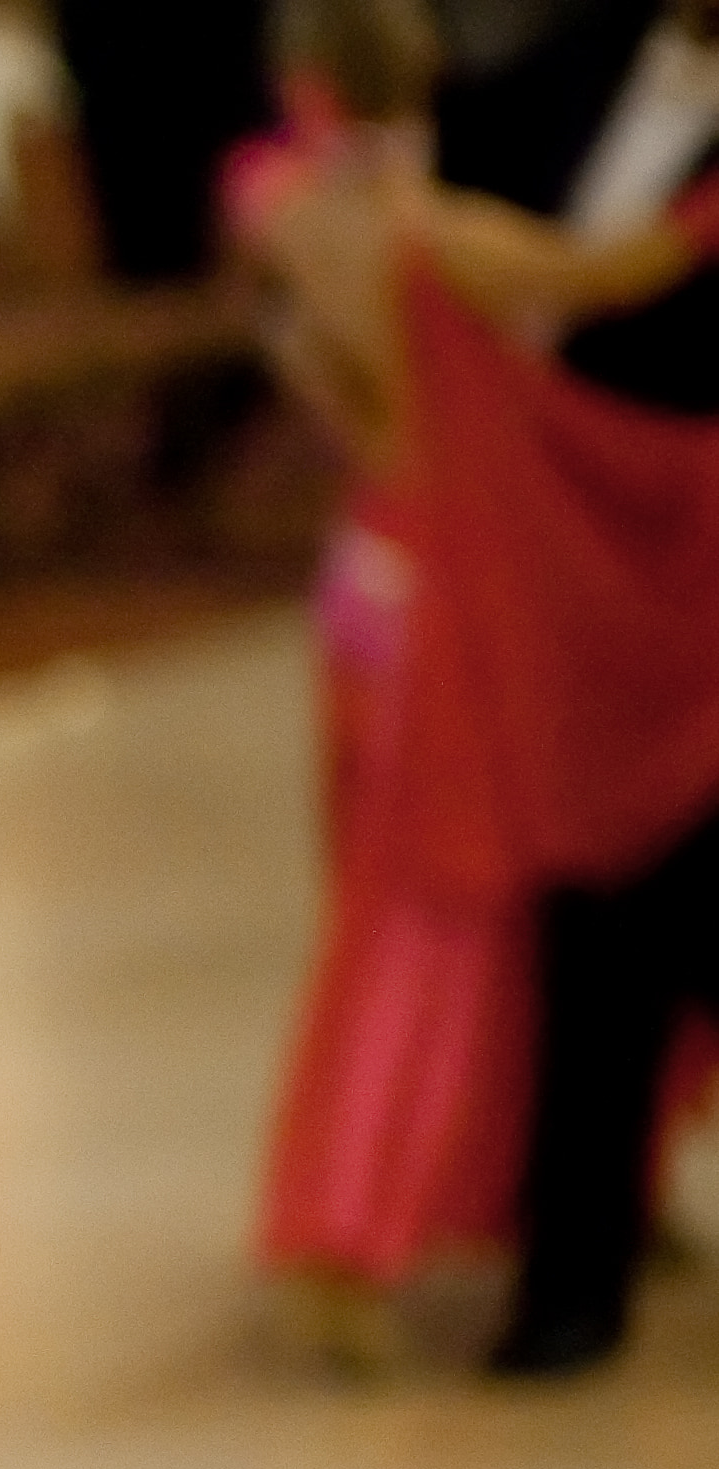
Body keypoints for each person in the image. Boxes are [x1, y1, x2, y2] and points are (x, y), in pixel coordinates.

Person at [230, 0, 719, 1368]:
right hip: (460, 593)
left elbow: (319, 376)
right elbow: (604, 276)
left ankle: (416, 1214)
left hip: (361, 583)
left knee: (395, 900)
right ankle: (352, 1233)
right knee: (440, 910)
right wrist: (697, 225)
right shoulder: (436, 231)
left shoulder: (286, 208)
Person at [440, 0, 719, 1372]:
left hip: (707, 539)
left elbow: (602, 274)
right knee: (599, 891)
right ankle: (572, 1276)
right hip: (580, 547)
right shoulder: (560, 67)